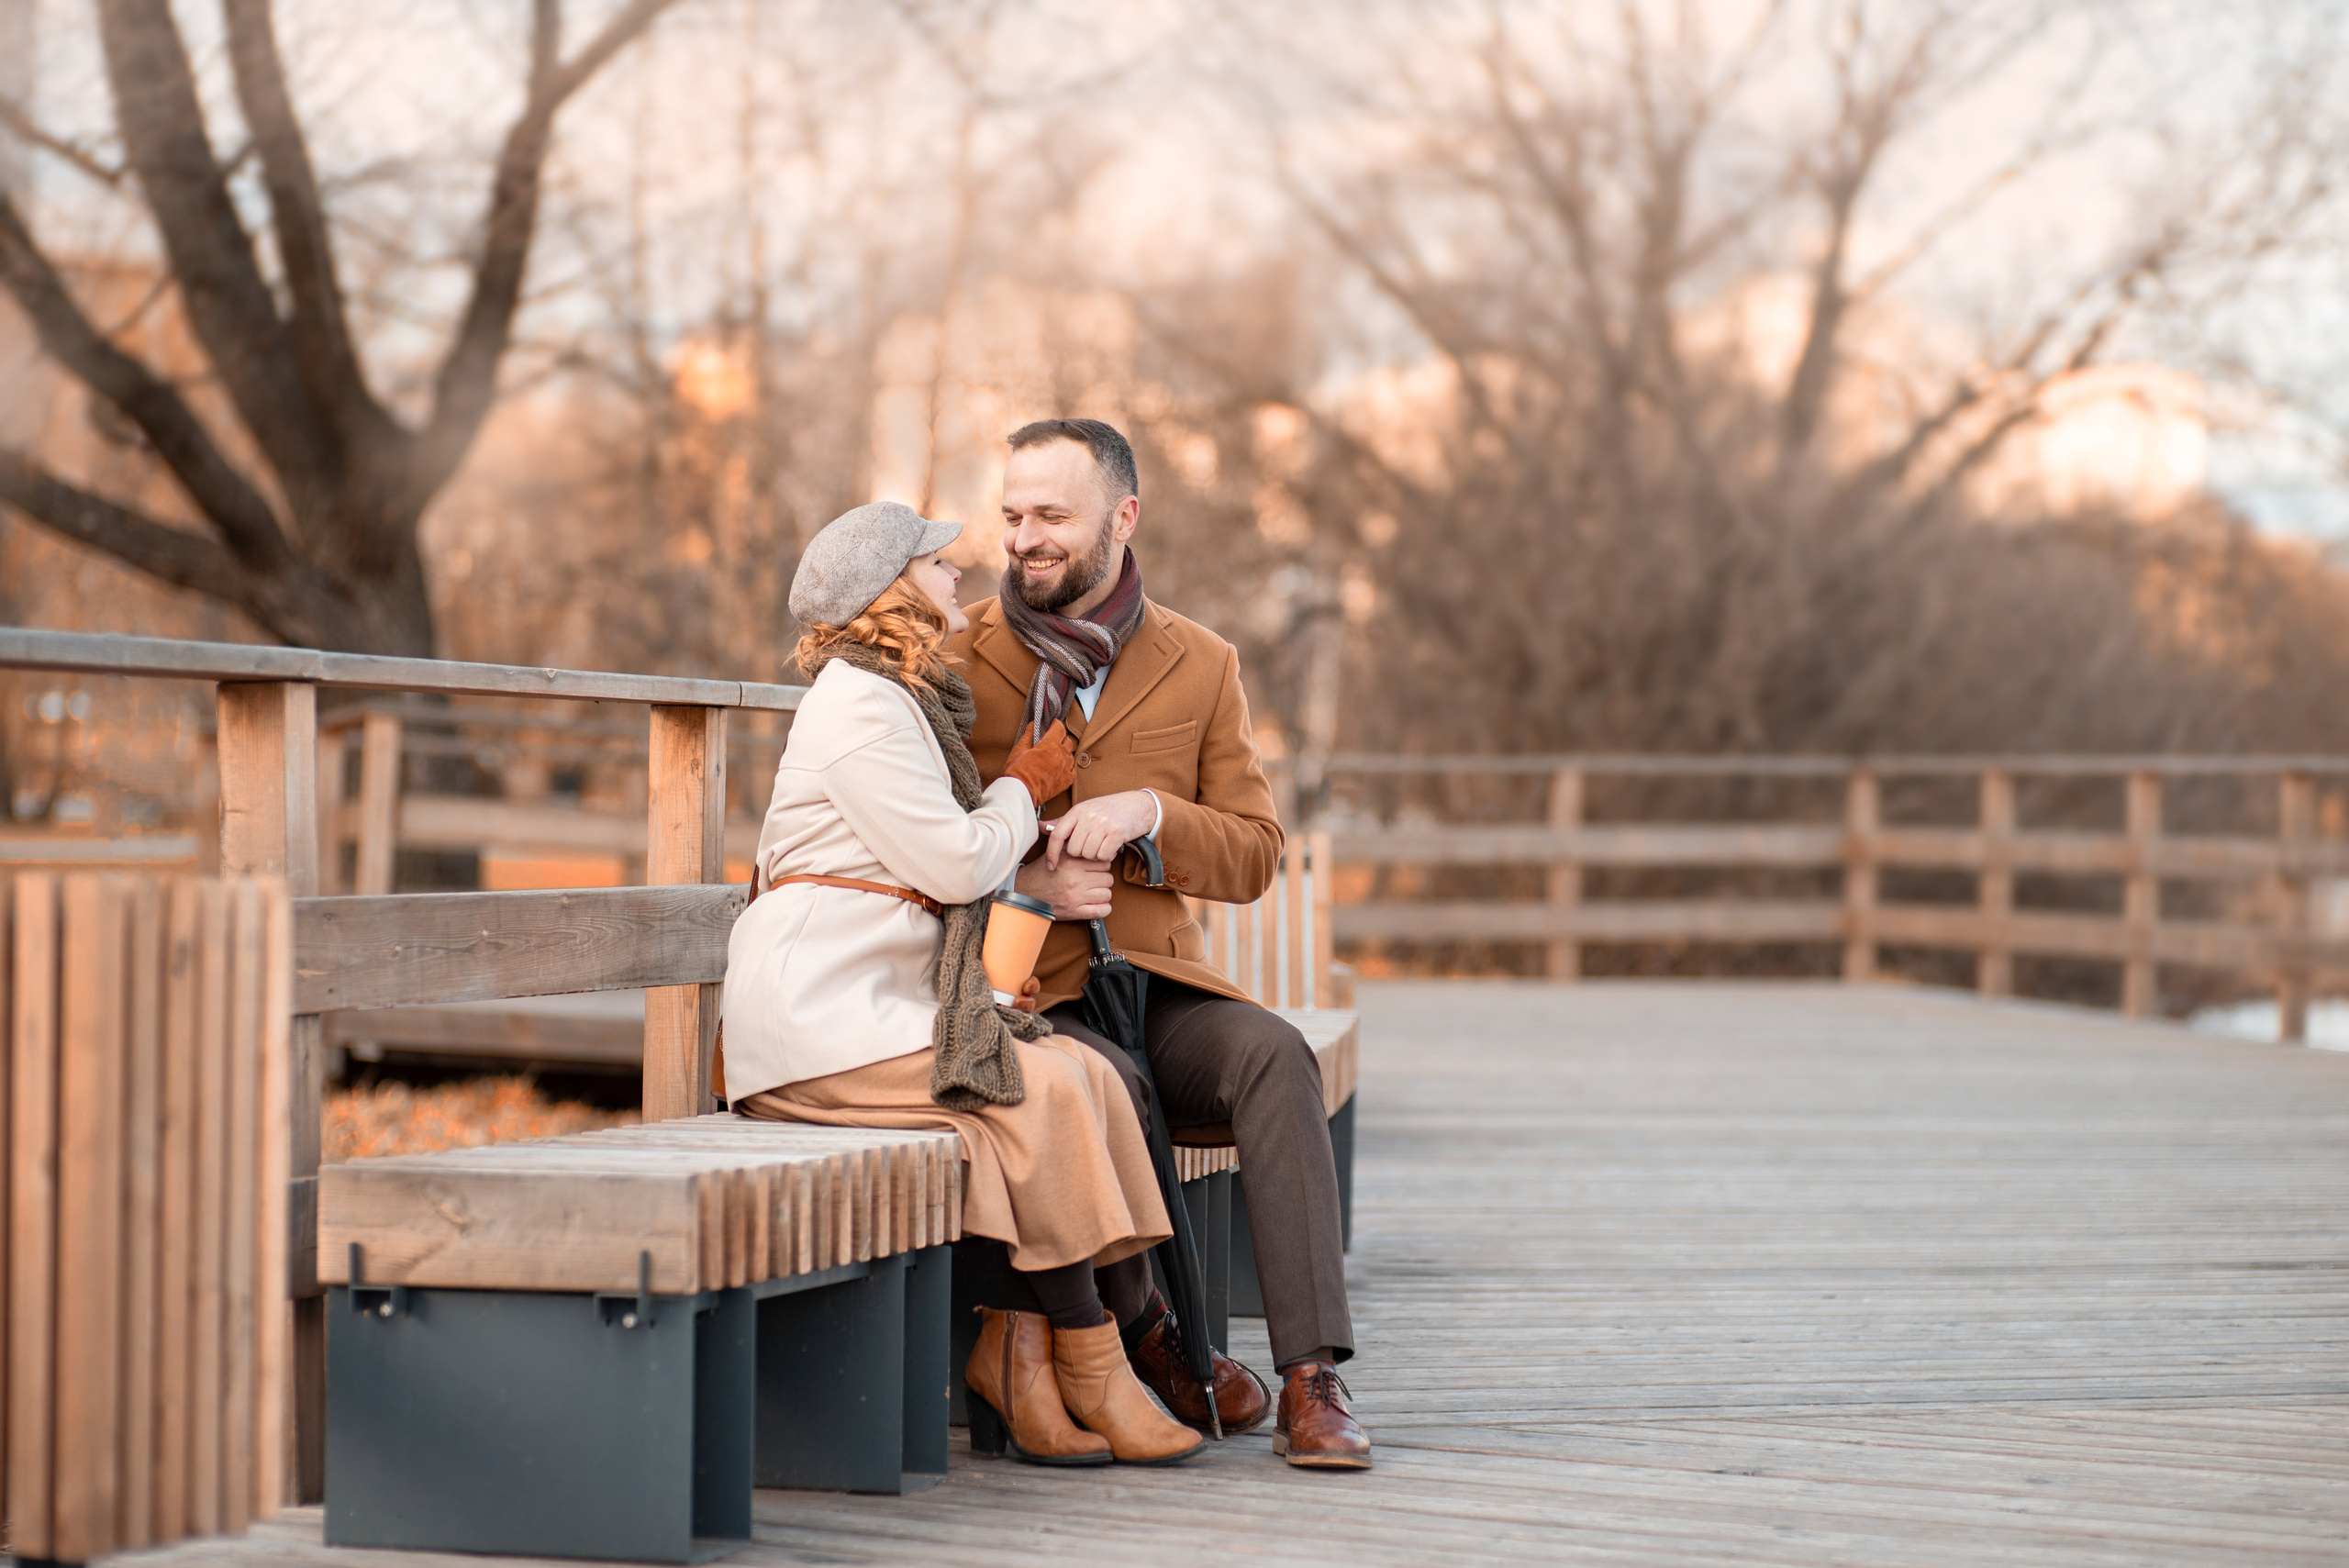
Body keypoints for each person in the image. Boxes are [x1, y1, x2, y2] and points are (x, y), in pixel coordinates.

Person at [721, 500, 1202, 1467]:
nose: (957, 573)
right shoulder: (859, 706)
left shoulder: (896, 696)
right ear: (892, 587)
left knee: (1088, 1079)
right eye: (936, 562)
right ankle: (1097, 1365)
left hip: (867, 1008)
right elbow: (955, 864)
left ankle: (1041, 1363)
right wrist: (1023, 784)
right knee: (1048, 1084)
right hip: (817, 1021)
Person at [945, 418, 1373, 1469]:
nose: (1025, 538)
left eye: (1052, 515)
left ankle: (1313, 1376)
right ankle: (1155, 1338)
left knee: (1274, 1053)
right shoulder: (958, 661)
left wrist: (1148, 817)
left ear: (1122, 518)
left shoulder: (1201, 662)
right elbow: (915, 841)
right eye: (1011, 515)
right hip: (1021, 991)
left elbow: (1255, 852)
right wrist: (1026, 876)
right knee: (1106, 1084)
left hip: (1156, 978)